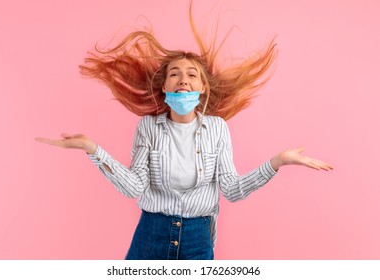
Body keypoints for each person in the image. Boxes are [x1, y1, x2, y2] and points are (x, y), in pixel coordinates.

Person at [35, 4, 333, 260]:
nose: (183, 80)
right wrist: (92, 149)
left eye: (192, 75)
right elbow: (134, 188)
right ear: (164, 85)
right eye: (174, 74)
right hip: (151, 233)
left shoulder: (217, 128)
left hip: (197, 238)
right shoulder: (148, 127)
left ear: (202, 87)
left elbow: (231, 189)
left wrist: (278, 161)